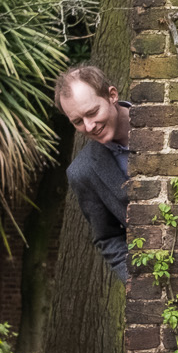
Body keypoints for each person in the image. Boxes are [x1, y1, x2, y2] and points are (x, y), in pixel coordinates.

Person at [55, 64, 131, 282]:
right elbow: (108, 237)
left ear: (112, 95)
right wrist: (136, 282)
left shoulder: (166, 119)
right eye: (78, 121)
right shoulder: (82, 172)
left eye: (92, 112)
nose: (88, 127)